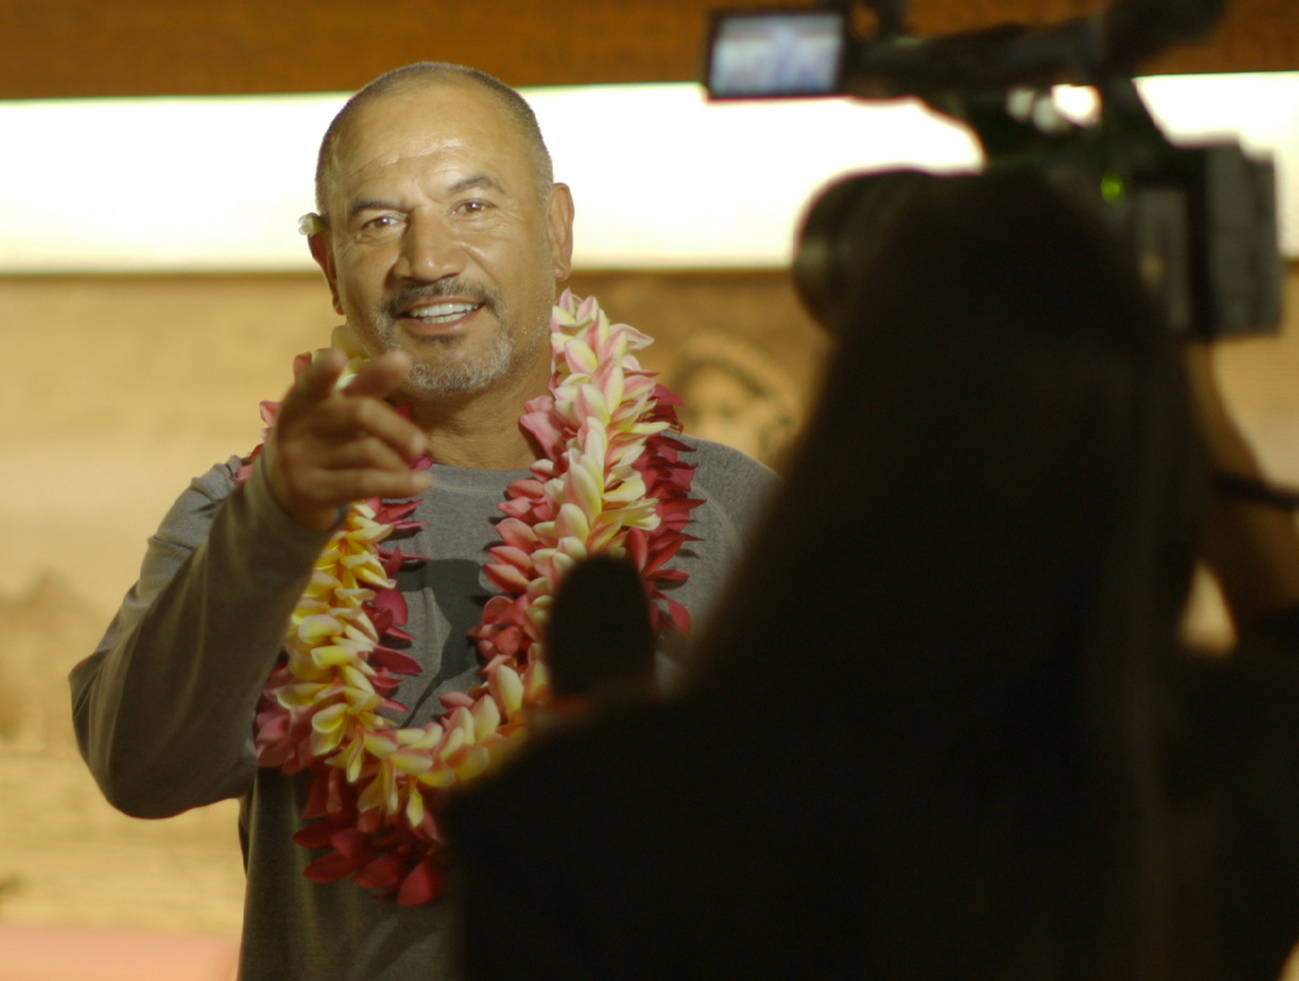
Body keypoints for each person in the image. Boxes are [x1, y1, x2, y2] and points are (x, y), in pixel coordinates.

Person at [447, 172, 1299, 981]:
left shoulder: (593, 818)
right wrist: (1202, 408)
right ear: (1151, 480)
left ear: (844, 441)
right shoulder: (1199, 801)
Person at [68, 62, 774, 981]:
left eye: (473, 207)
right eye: (378, 221)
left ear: (557, 231)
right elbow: (142, 772)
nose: (428, 259)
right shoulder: (244, 512)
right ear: (330, 266)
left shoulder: (729, 512)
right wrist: (275, 528)